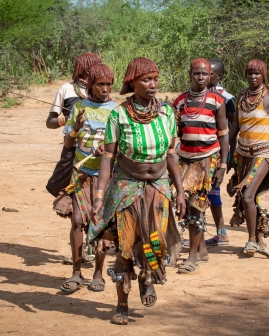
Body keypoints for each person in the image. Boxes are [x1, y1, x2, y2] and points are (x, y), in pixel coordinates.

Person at [89, 57, 186, 325]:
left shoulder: (167, 113)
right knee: (125, 245)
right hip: (126, 187)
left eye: (155, 79)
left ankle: (147, 277)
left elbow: (172, 155)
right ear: (132, 82)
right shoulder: (118, 115)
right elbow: (107, 158)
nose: (152, 84)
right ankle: (121, 304)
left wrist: (179, 192)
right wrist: (99, 197)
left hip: (158, 187)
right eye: (146, 80)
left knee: (155, 240)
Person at [59, 64, 117, 293]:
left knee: (99, 224)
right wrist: (76, 127)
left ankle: (98, 273)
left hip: (105, 176)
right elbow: (68, 144)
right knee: (76, 222)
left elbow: (121, 146)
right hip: (81, 175)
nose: (104, 89)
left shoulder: (117, 110)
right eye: (99, 84)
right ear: (90, 85)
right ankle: (76, 272)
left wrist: (108, 149)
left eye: (108, 85)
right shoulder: (79, 107)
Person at [174, 58, 229, 274]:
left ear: (210, 76)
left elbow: (223, 135)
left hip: (207, 158)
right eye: (196, 73)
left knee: (196, 206)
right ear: (190, 74)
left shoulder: (217, 100)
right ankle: (201, 249)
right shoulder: (180, 102)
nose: (200, 78)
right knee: (185, 206)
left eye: (204, 74)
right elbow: (177, 134)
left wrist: (222, 165)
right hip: (184, 158)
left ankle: (193, 257)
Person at [227, 59, 269, 258]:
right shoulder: (242, 96)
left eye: (257, 73)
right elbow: (235, 125)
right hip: (242, 154)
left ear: (263, 75)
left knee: (248, 194)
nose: (253, 77)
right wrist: (223, 147)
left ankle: (251, 240)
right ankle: (259, 237)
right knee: (249, 197)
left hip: (264, 153)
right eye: (250, 73)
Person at [45, 52, 103, 198]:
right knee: (65, 179)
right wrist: (67, 119)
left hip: (96, 146)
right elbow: (49, 122)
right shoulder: (67, 89)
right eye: (95, 67)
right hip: (72, 144)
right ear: (84, 69)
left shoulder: (101, 89)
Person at [204, 57, 237, 247]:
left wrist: (228, 156)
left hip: (215, 151)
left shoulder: (227, 98)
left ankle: (221, 233)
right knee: (205, 192)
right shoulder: (197, 95)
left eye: (210, 73)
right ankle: (218, 233)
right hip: (200, 149)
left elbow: (231, 129)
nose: (206, 76)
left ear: (219, 76)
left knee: (212, 192)